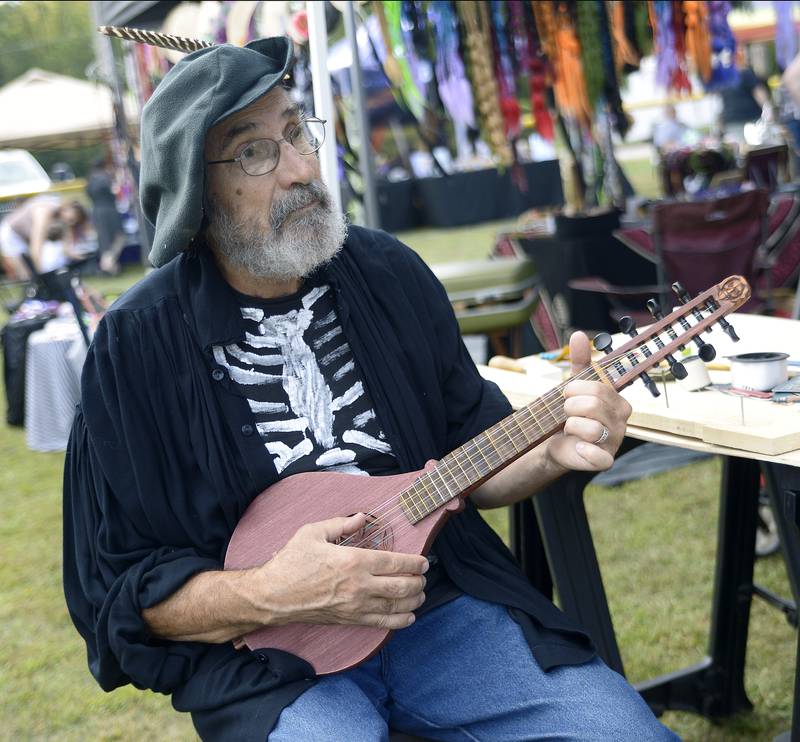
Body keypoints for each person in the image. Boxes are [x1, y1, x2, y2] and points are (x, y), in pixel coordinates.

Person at [63, 37, 679, 741]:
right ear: (196, 193)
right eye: (256, 152)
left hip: (438, 607)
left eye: (296, 131)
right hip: (271, 661)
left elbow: (473, 455)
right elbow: (123, 595)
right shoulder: (137, 346)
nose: (300, 169)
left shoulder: (387, 273)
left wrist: (553, 447)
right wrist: (271, 592)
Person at [0, 196, 88, 279]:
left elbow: (66, 247)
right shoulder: (44, 211)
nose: (70, 224)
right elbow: (36, 245)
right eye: (71, 220)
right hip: (11, 234)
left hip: (24, 236)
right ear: (66, 208)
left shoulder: (59, 212)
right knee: (27, 275)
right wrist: (41, 272)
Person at [86, 157, 126, 275]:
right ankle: (108, 265)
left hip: (97, 212)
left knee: (104, 240)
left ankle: (109, 265)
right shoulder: (105, 178)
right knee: (119, 237)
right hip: (109, 210)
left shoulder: (89, 180)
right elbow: (115, 192)